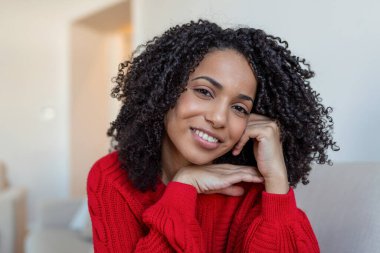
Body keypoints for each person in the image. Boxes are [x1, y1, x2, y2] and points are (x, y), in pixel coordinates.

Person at [87, 20, 338, 252]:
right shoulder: (112, 178)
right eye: (204, 92)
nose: (219, 118)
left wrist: (277, 182)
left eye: (239, 108)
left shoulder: (251, 188)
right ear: (165, 90)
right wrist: (183, 188)